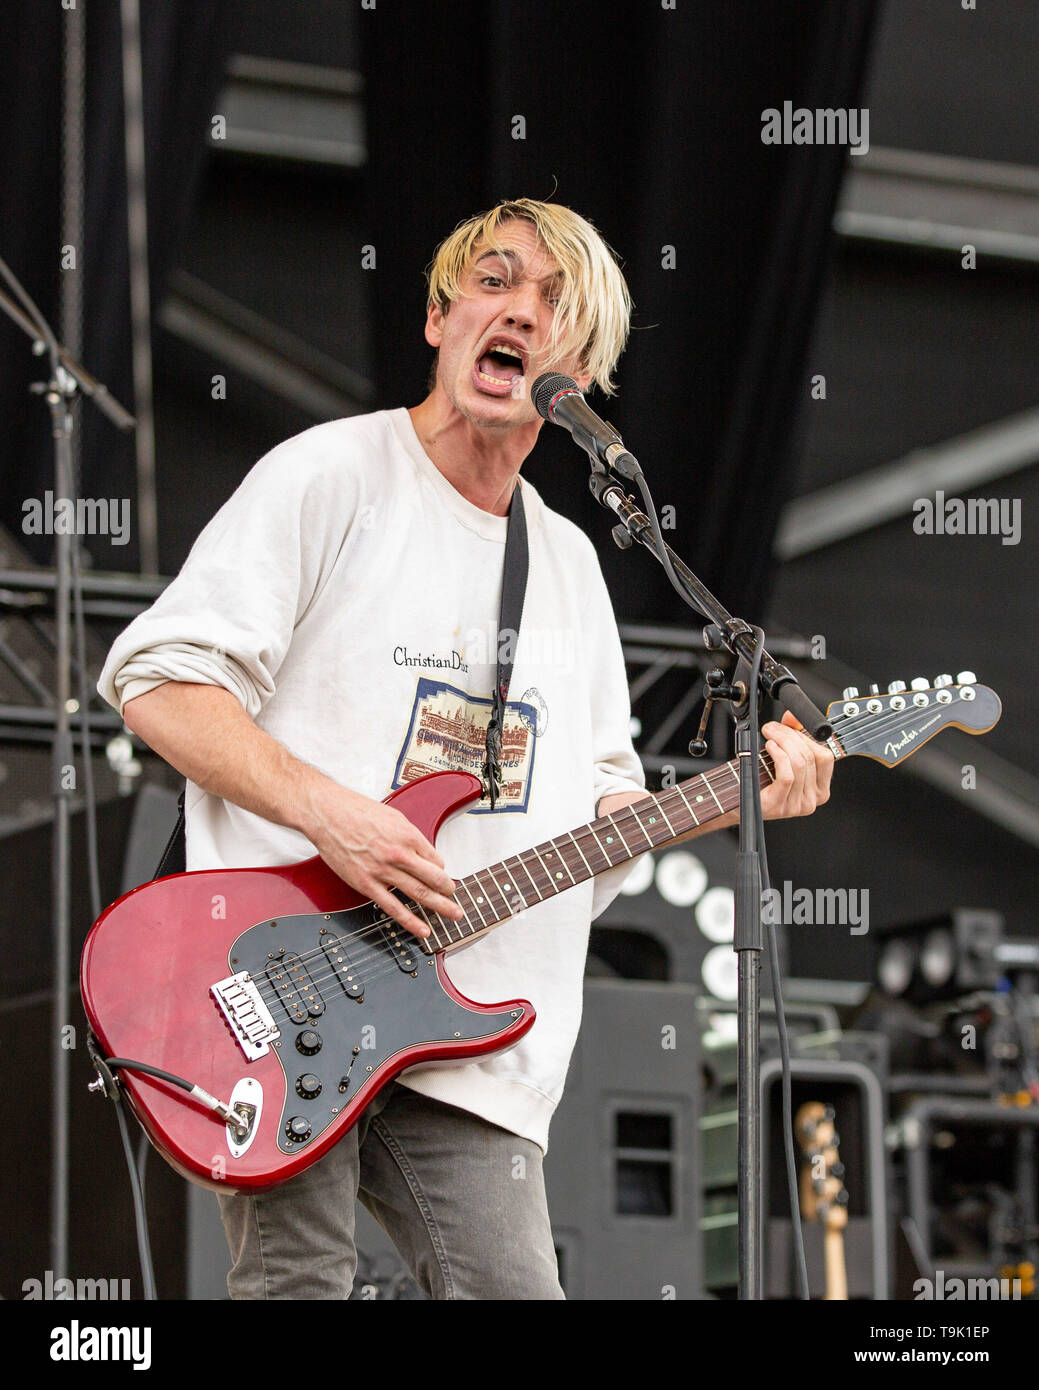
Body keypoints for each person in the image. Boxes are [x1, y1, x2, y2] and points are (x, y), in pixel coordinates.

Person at [98, 198, 833, 1300]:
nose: (522, 314)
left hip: (470, 1038)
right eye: (496, 282)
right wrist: (331, 815)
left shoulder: (573, 566)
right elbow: (158, 682)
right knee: (296, 1285)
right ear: (440, 316)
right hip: (278, 986)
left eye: (558, 307)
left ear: (582, 373)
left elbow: (594, 823)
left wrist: (733, 798)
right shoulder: (330, 476)